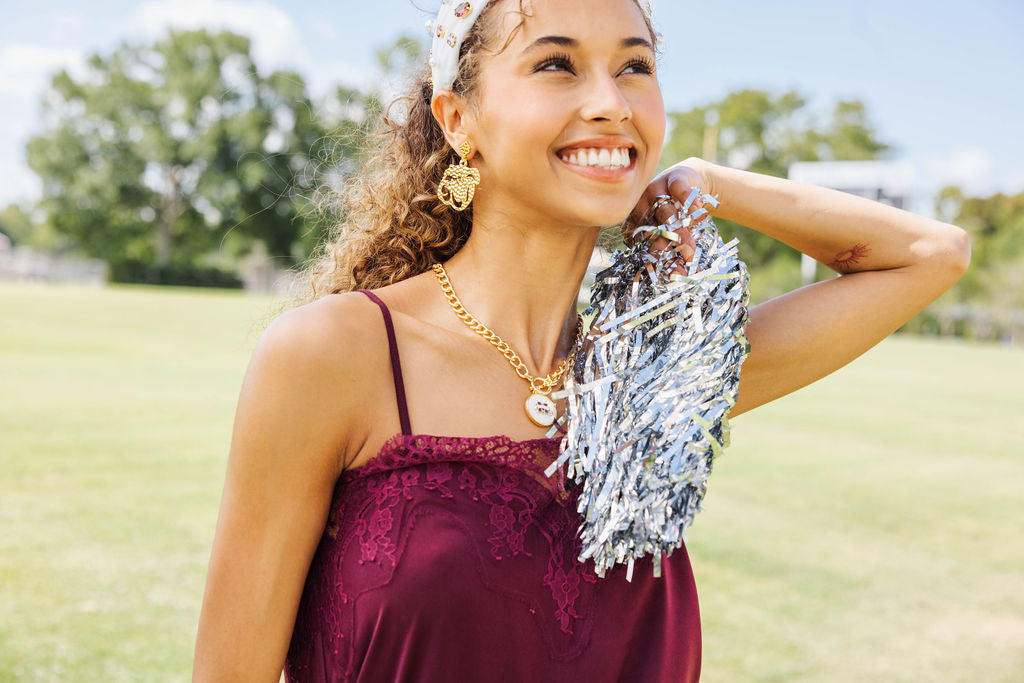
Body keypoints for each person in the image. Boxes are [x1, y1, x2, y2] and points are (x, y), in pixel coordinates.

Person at [191, 0, 971, 680]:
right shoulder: (334, 353)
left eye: (634, 68)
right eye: (557, 65)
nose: (609, 102)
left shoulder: (665, 373)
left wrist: (703, 183)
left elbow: (932, 256)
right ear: (459, 120)